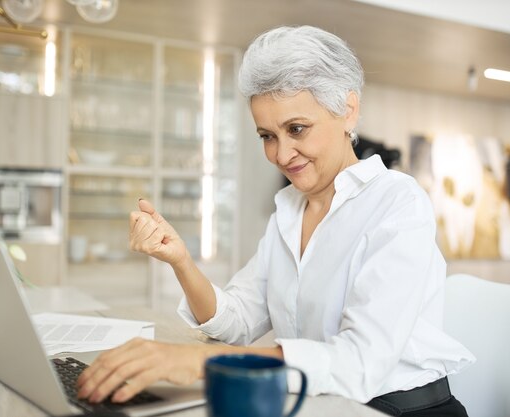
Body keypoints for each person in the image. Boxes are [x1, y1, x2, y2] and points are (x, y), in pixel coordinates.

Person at [77, 25, 475, 416]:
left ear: (348, 111)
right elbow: (236, 321)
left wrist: (190, 362)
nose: (282, 155)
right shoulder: (289, 210)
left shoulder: (398, 203)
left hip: (397, 408)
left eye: (296, 129)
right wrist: (180, 260)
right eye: (267, 136)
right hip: (323, 401)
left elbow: (359, 364)